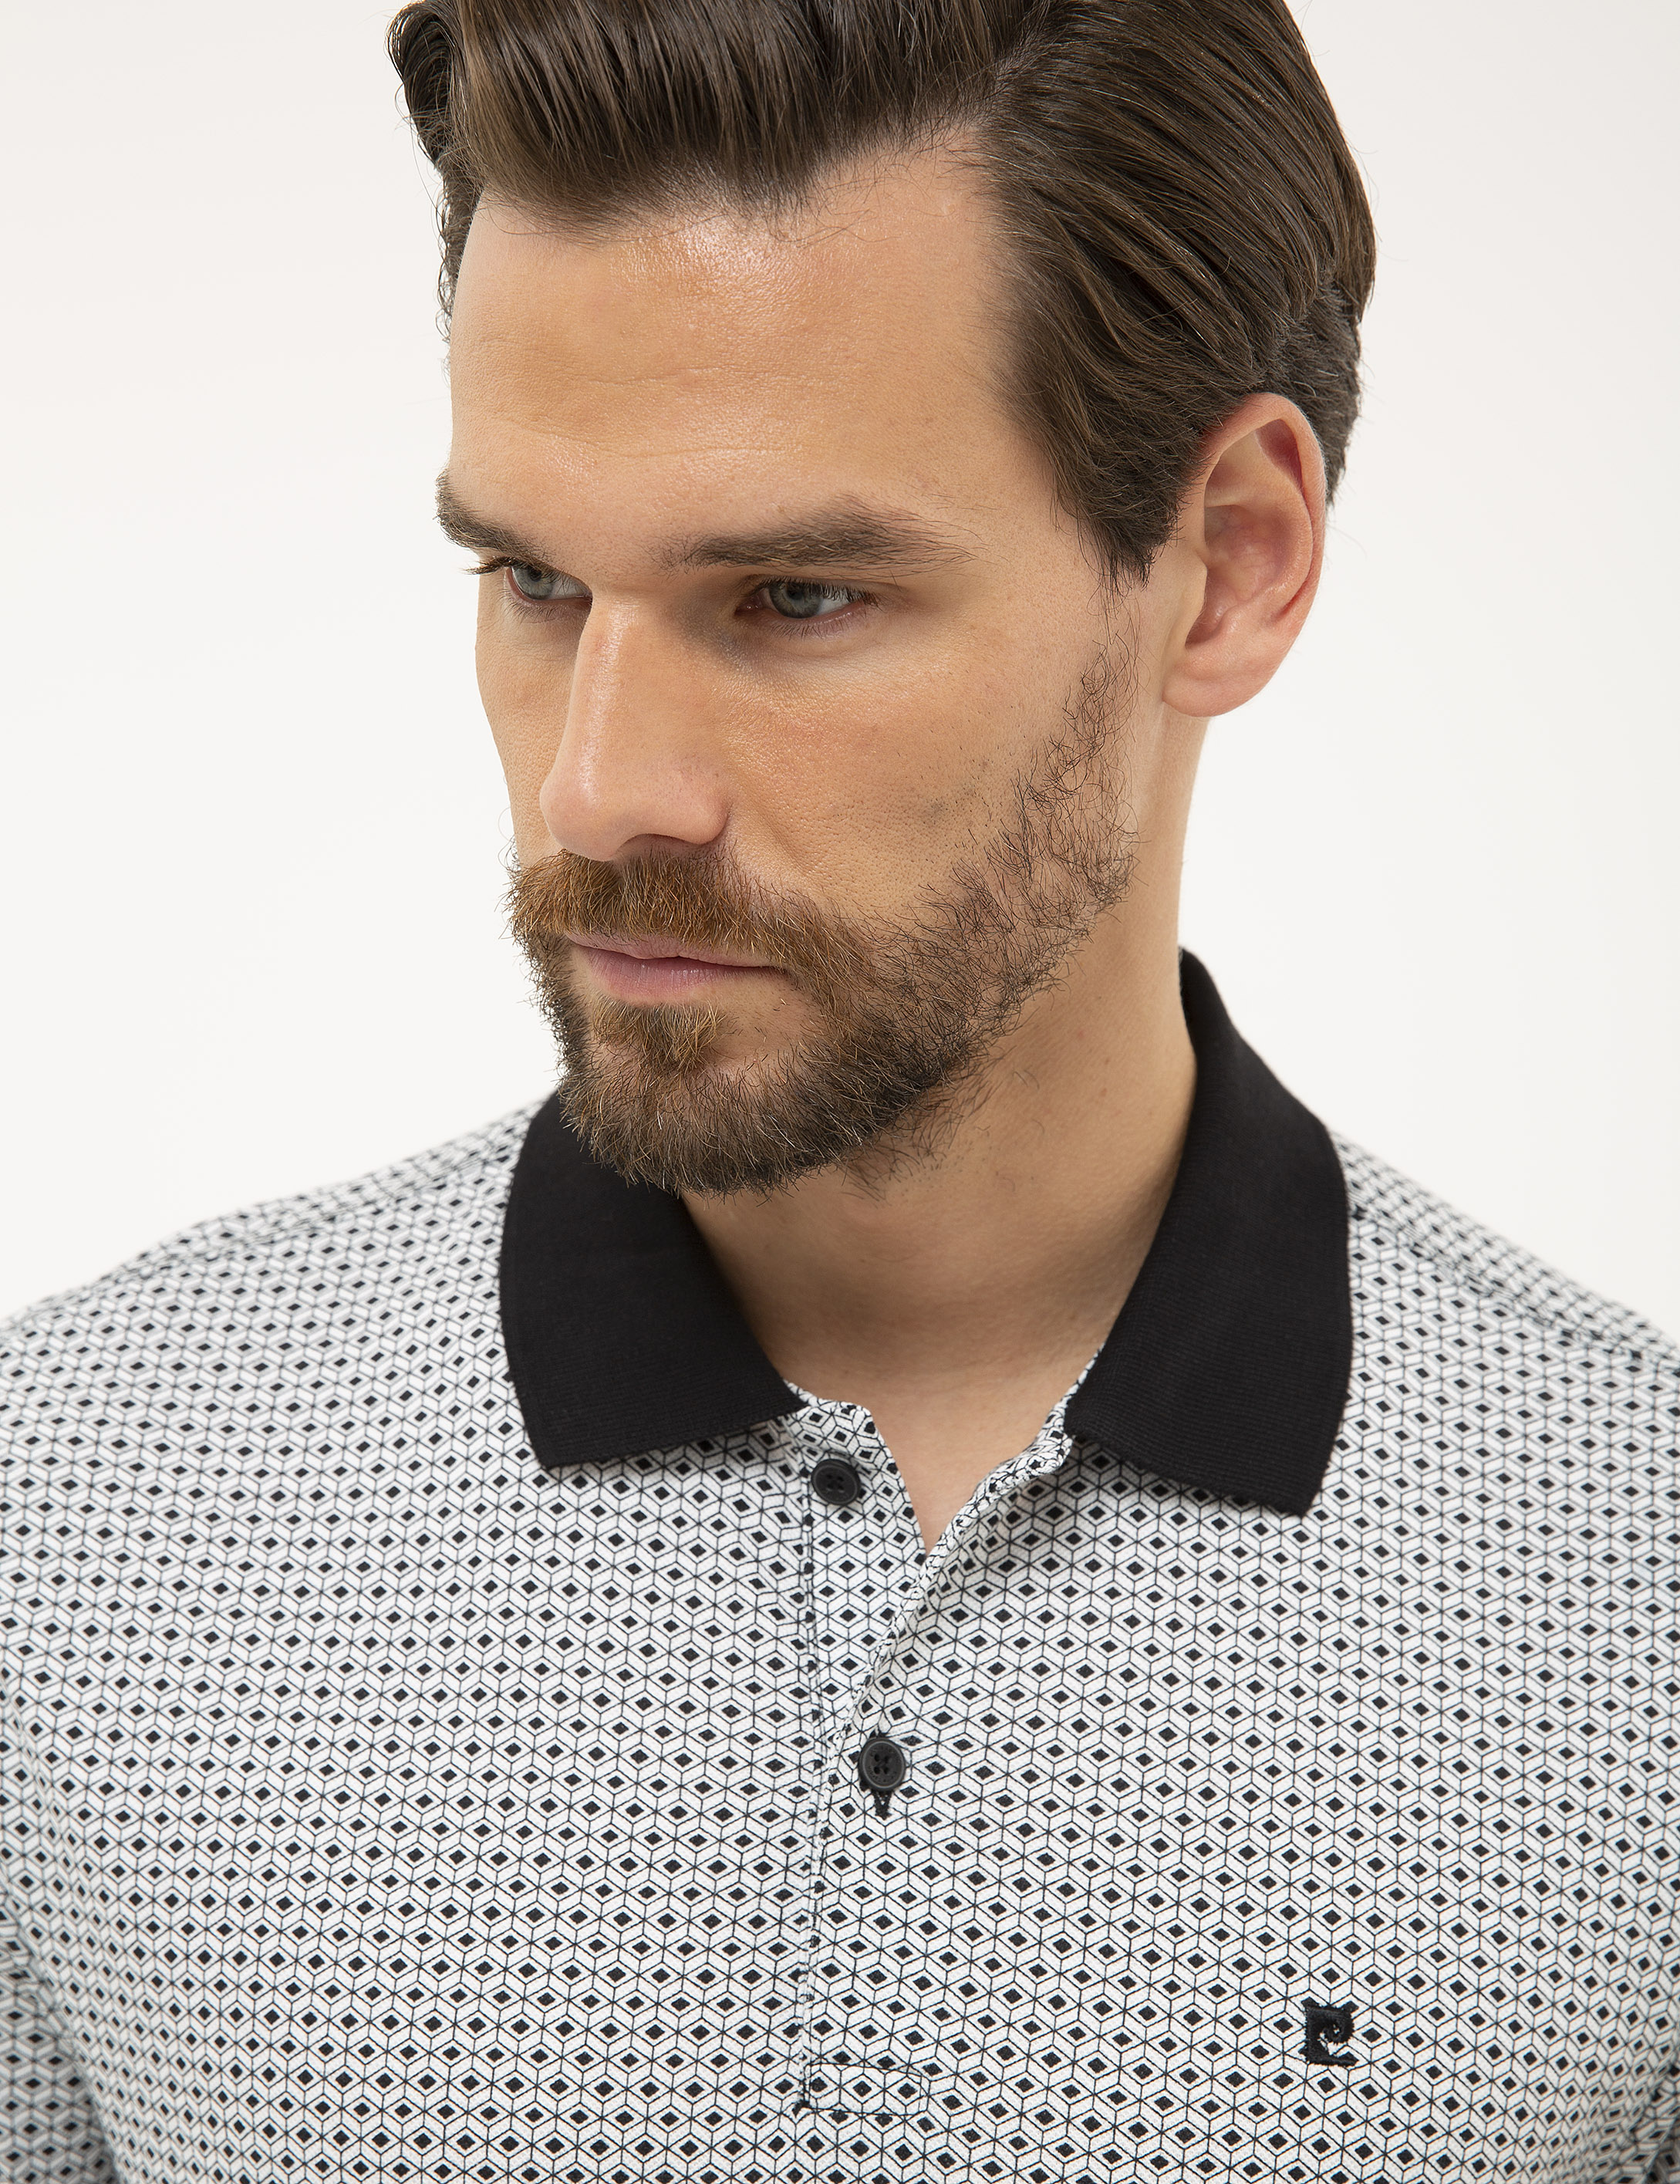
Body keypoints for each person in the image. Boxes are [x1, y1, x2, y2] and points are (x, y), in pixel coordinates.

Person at [4, 0, 1676, 2176]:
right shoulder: (73, 1514)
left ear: (1231, 560)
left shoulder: (1631, 1585)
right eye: (534, 580)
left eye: (795, 595)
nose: (598, 790)